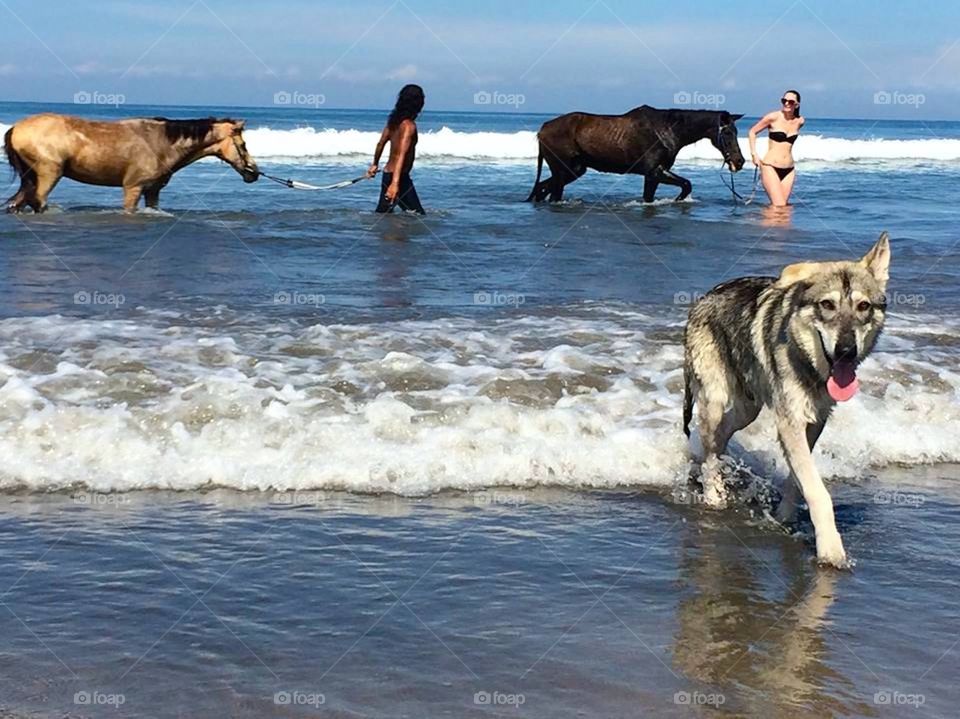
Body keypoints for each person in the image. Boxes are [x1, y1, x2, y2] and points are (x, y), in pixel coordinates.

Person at [368, 84, 425, 214]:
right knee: (418, 216)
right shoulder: (409, 127)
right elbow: (401, 155)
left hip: (388, 175)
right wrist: (395, 184)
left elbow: (380, 144)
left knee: (383, 214)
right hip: (400, 178)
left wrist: (374, 165)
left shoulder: (393, 122)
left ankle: (386, 233)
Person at [748, 90, 804, 207]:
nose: (787, 103)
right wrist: (754, 154)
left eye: (791, 101)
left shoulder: (800, 121)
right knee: (779, 205)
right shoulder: (773, 117)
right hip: (770, 166)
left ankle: (769, 225)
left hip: (789, 169)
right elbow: (752, 132)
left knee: (785, 208)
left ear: (797, 104)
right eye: (784, 101)